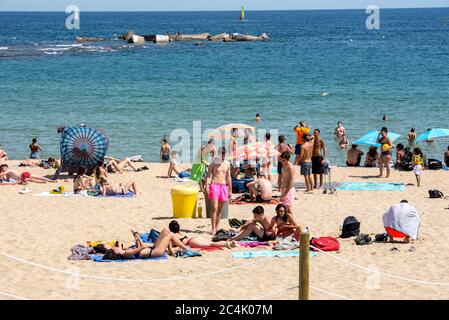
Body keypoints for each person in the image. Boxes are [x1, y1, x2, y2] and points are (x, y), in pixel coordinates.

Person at [105, 229, 189, 260]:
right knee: (170, 234)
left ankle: (171, 251)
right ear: (116, 252)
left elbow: (138, 247)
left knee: (166, 231)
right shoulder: (127, 253)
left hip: (153, 249)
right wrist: (136, 236)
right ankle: (185, 248)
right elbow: (142, 247)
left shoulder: (125, 252)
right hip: (155, 252)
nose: (115, 247)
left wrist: (136, 237)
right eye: (114, 249)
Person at [206, 147, 232, 235]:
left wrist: (230, 189)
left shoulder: (227, 164)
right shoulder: (213, 163)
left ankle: (216, 228)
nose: (223, 157)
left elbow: (228, 177)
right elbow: (209, 175)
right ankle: (213, 228)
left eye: (224, 155)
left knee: (220, 209)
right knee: (214, 208)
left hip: (223, 186)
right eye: (222, 155)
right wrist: (207, 186)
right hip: (214, 185)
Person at [168, 220, 237, 249]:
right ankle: (229, 243)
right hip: (194, 238)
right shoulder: (179, 233)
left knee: (210, 244)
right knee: (211, 242)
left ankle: (229, 244)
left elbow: (170, 247)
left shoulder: (172, 237)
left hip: (191, 242)